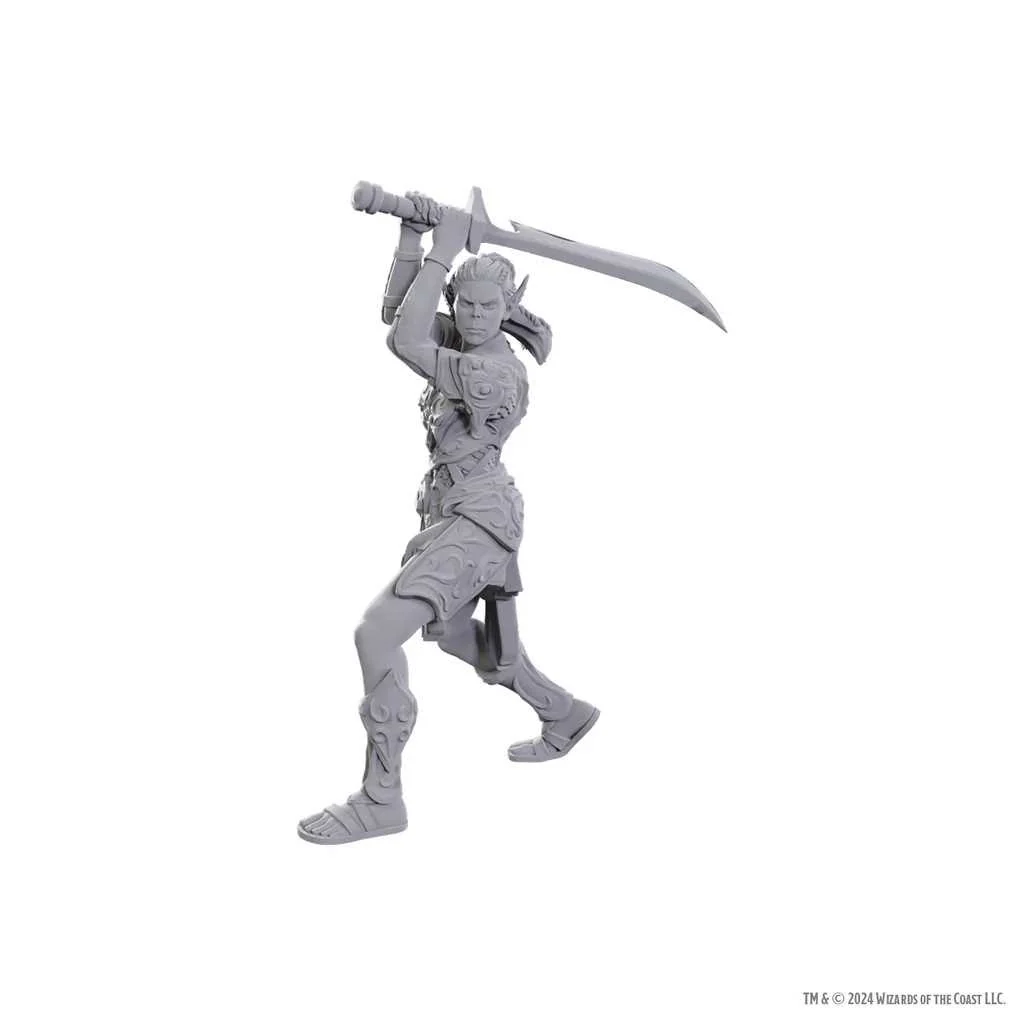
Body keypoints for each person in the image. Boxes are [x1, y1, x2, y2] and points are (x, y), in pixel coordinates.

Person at [298, 197, 599, 844]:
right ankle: (563, 711)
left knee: (377, 633)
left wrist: (444, 247)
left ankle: (381, 799)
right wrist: (413, 238)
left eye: (488, 307)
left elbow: (404, 340)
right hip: (450, 508)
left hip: (479, 519)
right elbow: (397, 314)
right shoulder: (462, 341)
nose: (473, 315)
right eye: (465, 305)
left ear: (508, 307)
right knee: (461, 637)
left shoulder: (494, 374)